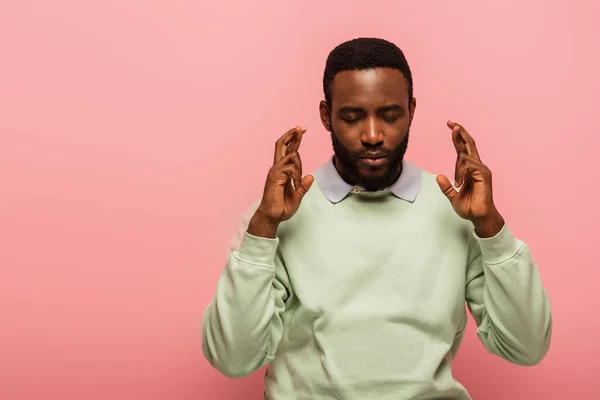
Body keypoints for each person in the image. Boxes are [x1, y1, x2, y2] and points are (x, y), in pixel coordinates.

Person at [201, 37, 552, 399]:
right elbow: (233, 359)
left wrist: (491, 228)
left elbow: (526, 347)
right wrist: (263, 231)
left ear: (411, 111)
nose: (372, 135)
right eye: (352, 117)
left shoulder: (458, 210)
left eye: (390, 115)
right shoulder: (273, 218)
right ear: (326, 116)